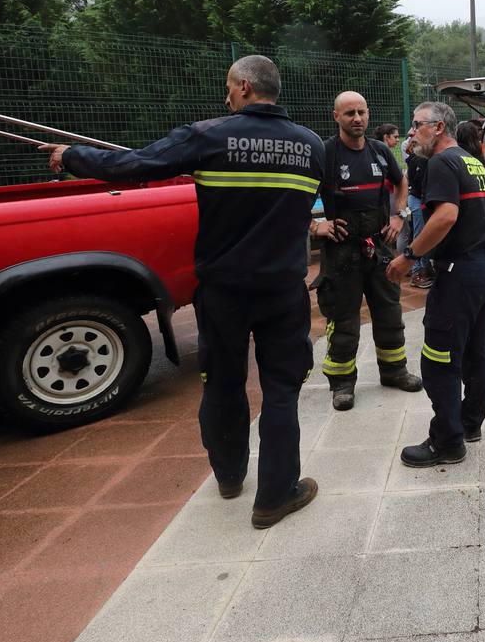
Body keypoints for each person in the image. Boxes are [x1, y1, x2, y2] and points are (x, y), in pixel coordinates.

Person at [40, 55, 319, 529]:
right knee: (280, 391)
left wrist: (71, 156)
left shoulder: (209, 135)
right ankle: (275, 496)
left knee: (223, 382)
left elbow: (132, 165)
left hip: (225, 291)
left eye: (230, 87)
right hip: (283, 290)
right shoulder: (311, 144)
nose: (226, 95)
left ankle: (230, 476)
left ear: (246, 87)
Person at [386, 101, 485, 467]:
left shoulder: (440, 162)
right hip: (483, 266)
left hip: (459, 271)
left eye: (416, 124)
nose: (411, 132)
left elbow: (446, 215)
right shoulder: (471, 160)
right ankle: (469, 423)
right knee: (474, 350)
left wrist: (409, 256)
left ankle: (447, 441)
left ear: (437, 127)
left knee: (438, 358)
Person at [311, 91, 423, 411]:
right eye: (349, 113)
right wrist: (315, 226)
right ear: (336, 117)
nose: (357, 118)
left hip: (376, 246)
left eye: (361, 112)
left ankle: (394, 371)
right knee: (344, 319)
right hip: (341, 253)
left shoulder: (379, 152)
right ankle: (342, 383)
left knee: (389, 312)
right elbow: (295, 195)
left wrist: (399, 216)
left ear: (368, 114)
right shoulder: (325, 154)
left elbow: (401, 183)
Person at [402, 134, 435, 288]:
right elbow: (418, 183)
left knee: (424, 234)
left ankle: (424, 268)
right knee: (419, 234)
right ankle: (416, 272)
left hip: (421, 199)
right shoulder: (420, 159)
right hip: (418, 200)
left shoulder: (420, 158)